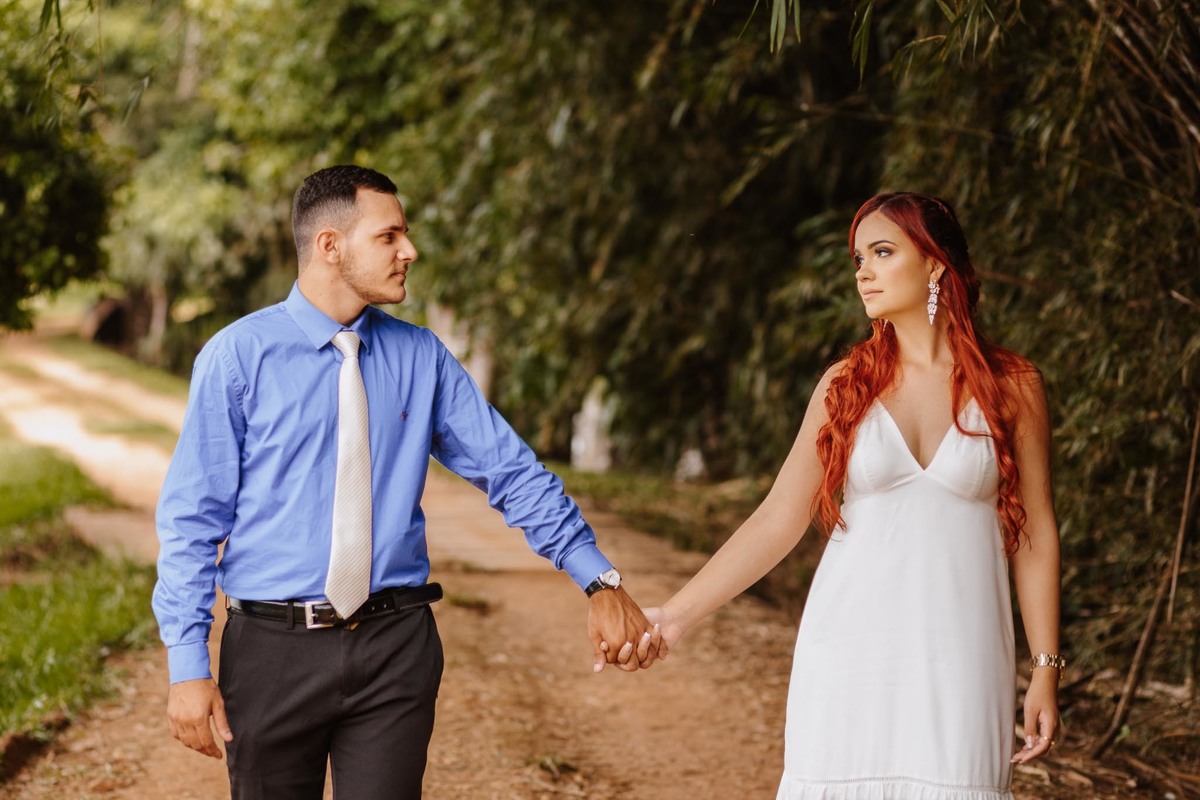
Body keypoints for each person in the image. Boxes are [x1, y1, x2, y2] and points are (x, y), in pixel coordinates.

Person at [153, 164, 663, 799]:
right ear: (330, 245)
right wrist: (187, 664)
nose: (409, 251)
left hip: (395, 648)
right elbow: (193, 520)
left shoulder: (422, 357)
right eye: (389, 236)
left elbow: (510, 471)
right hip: (270, 654)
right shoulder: (237, 357)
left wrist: (598, 579)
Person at [641, 192, 1062, 799]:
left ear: (935, 262)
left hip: (963, 658)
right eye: (859, 258)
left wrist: (1046, 667)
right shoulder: (846, 385)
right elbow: (778, 518)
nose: (863, 271)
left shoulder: (1013, 386)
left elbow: (1036, 534)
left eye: (882, 252)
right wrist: (676, 615)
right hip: (847, 651)